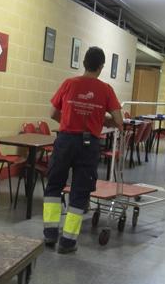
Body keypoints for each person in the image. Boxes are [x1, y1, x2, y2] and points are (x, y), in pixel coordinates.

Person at [42, 46, 123, 253]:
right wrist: (100, 119)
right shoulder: (106, 90)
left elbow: (52, 113)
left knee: (54, 185)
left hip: (65, 140)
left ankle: (50, 235)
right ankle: (68, 242)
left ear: (84, 62)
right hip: (89, 145)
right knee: (79, 191)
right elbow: (119, 121)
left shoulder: (69, 83)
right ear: (101, 66)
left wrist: (70, 120)